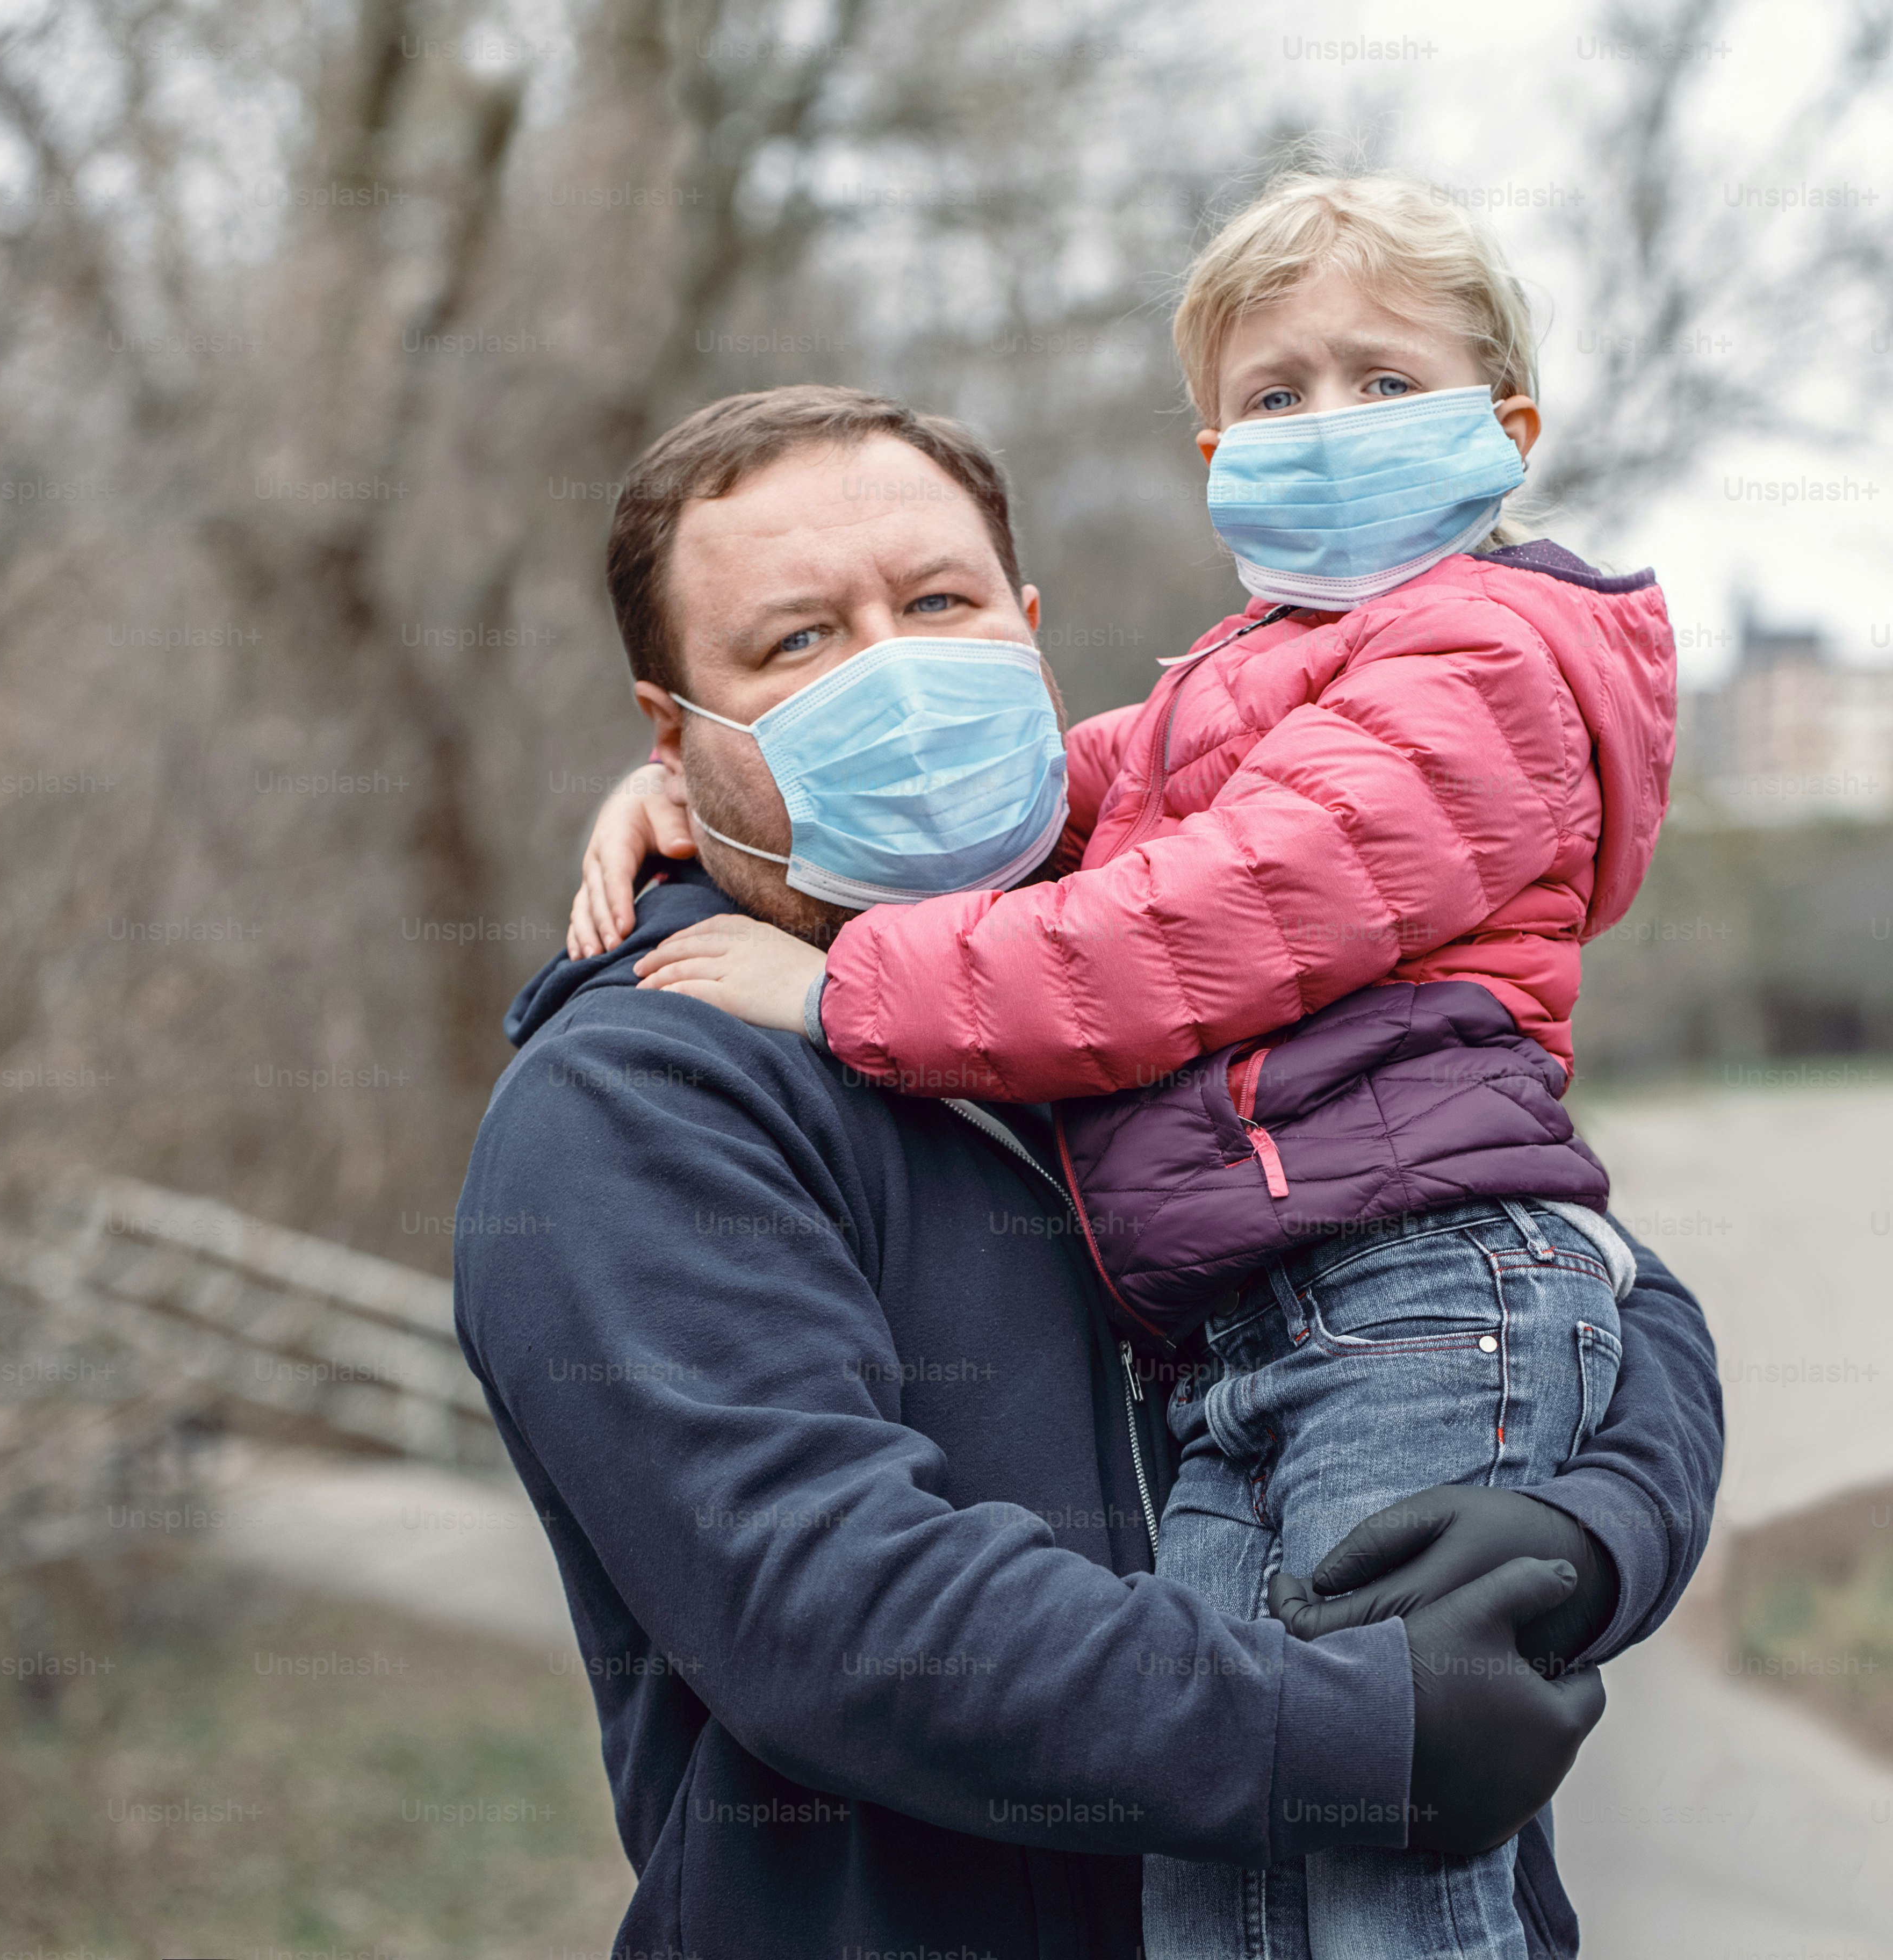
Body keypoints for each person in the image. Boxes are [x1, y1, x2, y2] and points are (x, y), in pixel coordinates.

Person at [459, 379, 1726, 1960]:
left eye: (940, 604)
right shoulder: (639, 1106)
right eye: (797, 643)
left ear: (1031, 630)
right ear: (677, 733)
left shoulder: (1155, 962)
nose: (895, 675)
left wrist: (1593, 1536)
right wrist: (1360, 1736)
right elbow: (833, 1611)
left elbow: (1567, 1270)